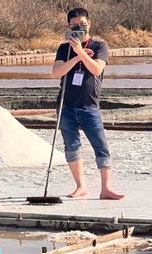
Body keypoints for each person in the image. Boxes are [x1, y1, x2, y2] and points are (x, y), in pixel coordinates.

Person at [51, 7, 124, 200]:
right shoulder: (64, 48)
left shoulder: (100, 46)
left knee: (101, 145)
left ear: (89, 24)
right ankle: (80, 186)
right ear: (68, 26)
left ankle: (106, 188)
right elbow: (57, 72)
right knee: (72, 145)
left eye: (82, 24)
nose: (79, 28)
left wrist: (82, 53)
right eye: (74, 25)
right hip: (67, 105)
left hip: (89, 105)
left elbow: (96, 69)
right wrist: (75, 55)